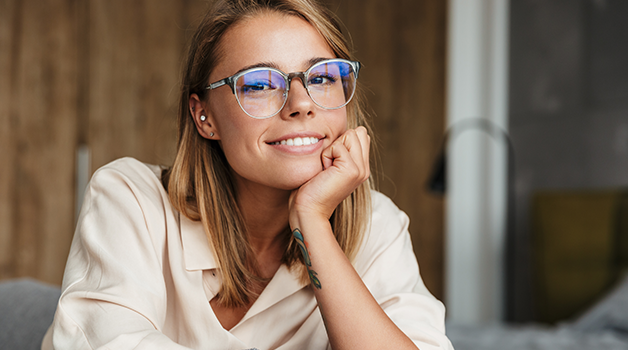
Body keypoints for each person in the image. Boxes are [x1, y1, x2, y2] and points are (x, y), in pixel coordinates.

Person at [42, 0, 453, 349]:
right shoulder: (130, 198)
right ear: (204, 117)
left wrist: (312, 222)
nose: (301, 104)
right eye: (258, 84)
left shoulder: (378, 227)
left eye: (323, 77)